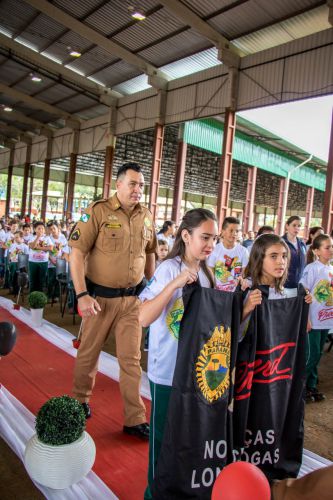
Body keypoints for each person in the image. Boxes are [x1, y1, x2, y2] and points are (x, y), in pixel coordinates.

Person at [69, 162, 156, 439]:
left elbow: (151, 251)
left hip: (132, 302)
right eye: (132, 183)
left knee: (131, 360)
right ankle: (80, 401)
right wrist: (82, 295)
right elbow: (77, 254)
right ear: (117, 185)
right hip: (99, 300)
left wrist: (151, 290)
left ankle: (135, 418)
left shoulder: (146, 215)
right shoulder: (98, 211)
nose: (138, 189)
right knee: (88, 353)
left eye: (141, 184)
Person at [138, 208, 218, 500]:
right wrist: (174, 284)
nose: (210, 244)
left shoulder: (208, 274)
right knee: (162, 443)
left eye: (214, 238)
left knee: (188, 442)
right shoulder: (168, 268)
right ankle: (154, 495)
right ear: (186, 235)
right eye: (205, 237)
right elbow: (144, 318)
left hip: (197, 375)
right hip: (168, 372)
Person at [299, 233, 333, 403]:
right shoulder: (312, 268)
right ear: (317, 251)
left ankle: (310, 386)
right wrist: (307, 319)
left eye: (332, 246)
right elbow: (302, 291)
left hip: (326, 320)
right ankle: (297, 386)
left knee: (318, 354)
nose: (331, 250)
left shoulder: (331, 269)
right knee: (311, 355)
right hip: (313, 320)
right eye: (327, 247)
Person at [207, 216, 249, 292]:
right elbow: (210, 269)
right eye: (231, 230)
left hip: (236, 293)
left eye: (237, 231)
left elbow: (244, 272)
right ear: (223, 232)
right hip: (217, 292)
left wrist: (240, 280)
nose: (234, 234)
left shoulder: (244, 251)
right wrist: (214, 286)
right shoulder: (214, 249)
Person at [28, 221, 53, 293]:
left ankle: (40, 296)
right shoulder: (32, 237)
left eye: (42, 228)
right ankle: (32, 296)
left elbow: (50, 248)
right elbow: (32, 246)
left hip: (43, 262)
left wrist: (38, 248)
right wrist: (38, 237)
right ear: (35, 229)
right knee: (33, 280)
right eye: (39, 228)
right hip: (33, 262)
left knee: (42, 280)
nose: (41, 230)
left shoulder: (47, 238)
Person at [282, 216, 307, 289]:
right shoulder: (280, 242)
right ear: (287, 226)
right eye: (294, 225)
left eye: (299, 226)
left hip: (299, 284)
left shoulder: (302, 244)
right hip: (284, 284)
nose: (297, 228)